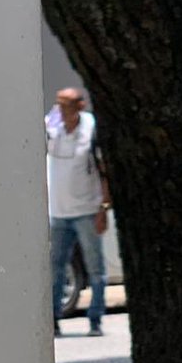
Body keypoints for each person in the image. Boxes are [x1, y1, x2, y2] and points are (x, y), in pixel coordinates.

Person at [46, 87, 111, 337]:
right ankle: (52, 319)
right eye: (59, 105)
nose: (61, 110)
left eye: (67, 105)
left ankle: (95, 319)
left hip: (87, 210)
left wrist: (103, 208)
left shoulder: (91, 129)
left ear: (80, 106)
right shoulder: (53, 127)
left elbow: (104, 170)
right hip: (58, 212)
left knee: (96, 268)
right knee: (55, 268)